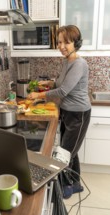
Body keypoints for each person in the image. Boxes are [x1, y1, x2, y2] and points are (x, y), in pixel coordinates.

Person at [27, 25, 91, 199]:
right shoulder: (67, 61)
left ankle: (66, 187)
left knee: (64, 154)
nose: (61, 46)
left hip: (78, 114)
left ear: (76, 43)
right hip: (67, 112)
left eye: (66, 42)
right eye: (60, 42)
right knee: (70, 150)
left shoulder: (79, 63)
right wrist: (46, 84)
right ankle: (75, 184)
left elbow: (63, 91)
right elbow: (59, 84)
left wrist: (38, 94)